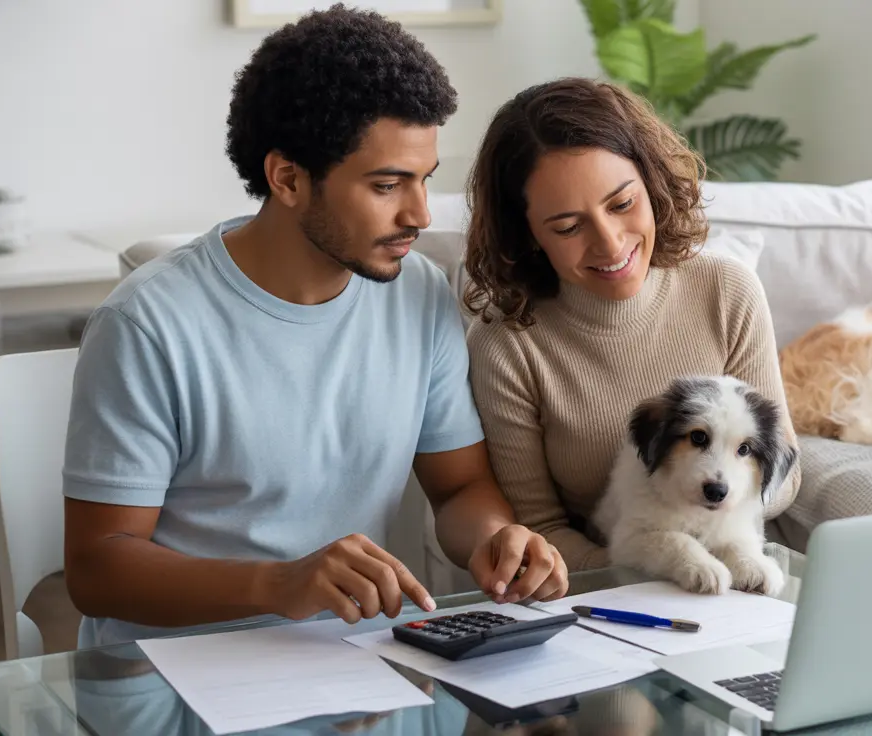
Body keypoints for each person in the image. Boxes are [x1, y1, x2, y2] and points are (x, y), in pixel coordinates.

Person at [61, 4, 567, 649]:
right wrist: (280, 585)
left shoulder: (416, 293)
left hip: (364, 661)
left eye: (425, 180)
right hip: (178, 674)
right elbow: (98, 568)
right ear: (287, 178)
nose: (418, 213)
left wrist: (497, 539)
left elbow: (461, 486)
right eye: (387, 185)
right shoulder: (147, 324)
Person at [462, 77, 802, 572]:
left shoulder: (728, 291)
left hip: (725, 573)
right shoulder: (506, 344)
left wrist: (707, 509)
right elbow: (538, 529)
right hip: (600, 589)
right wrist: (652, 564)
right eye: (568, 227)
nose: (610, 243)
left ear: (652, 183)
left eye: (622, 204)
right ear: (528, 234)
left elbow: (782, 475)